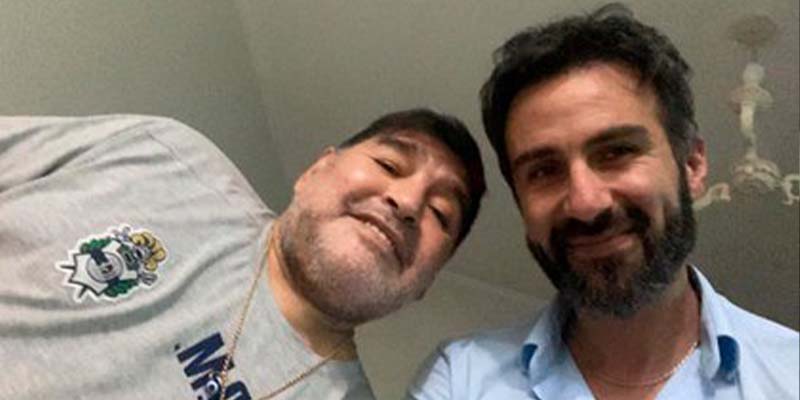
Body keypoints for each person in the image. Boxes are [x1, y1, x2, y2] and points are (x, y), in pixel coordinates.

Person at [408, 4, 798, 400]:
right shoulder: (460, 379)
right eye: (543, 171)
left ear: (692, 166)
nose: (585, 203)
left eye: (616, 152)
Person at [0, 108, 486, 399]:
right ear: (316, 170)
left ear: (426, 282)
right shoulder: (166, 157)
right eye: (389, 164)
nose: (407, 202)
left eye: (440, 214)